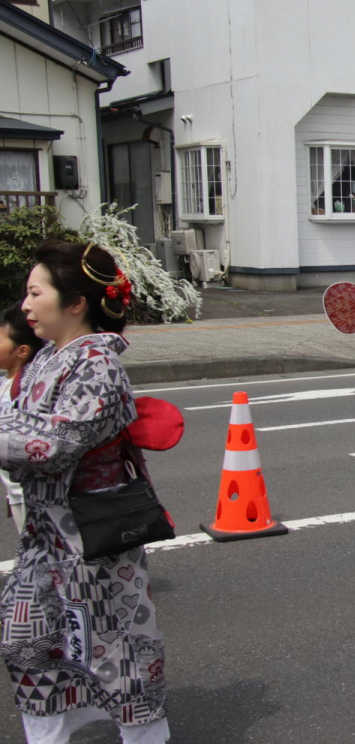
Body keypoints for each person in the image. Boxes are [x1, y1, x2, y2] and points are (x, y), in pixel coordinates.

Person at [0, 241, 170, 743]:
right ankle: (47, 734)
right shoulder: (50, 357)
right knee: (29, 639)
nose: (25, 304)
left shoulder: (96, 364)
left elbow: (54, 444)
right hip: (45, 533)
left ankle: (145, 736)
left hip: (90, 536)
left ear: (76, 303)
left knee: (116, 649)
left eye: (35, 293)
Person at [0, 302, 43, 532]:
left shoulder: (23, 390)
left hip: (28, 495)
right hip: (17, 491)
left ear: (21, 351)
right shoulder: (6, 384)